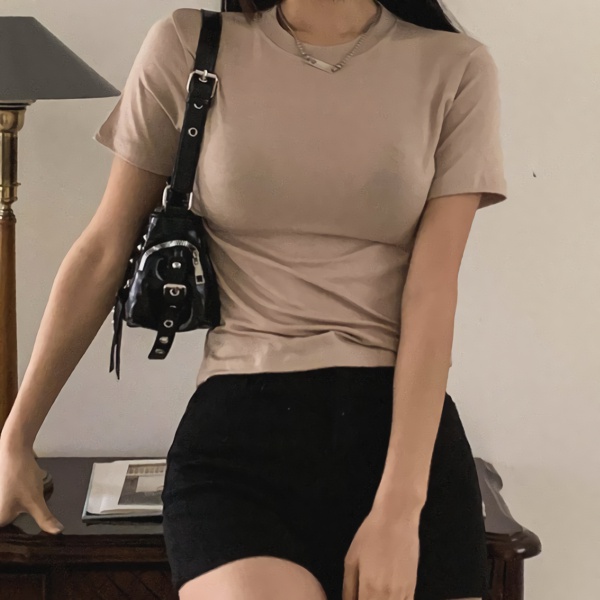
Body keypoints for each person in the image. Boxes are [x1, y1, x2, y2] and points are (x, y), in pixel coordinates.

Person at [0, 0, 508, 599]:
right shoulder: (191, 47)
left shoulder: (455, 66)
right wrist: (16, 437)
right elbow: (103, 250)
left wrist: (399, 509)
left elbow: (433, 291)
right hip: (240, 437)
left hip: (402, 439)